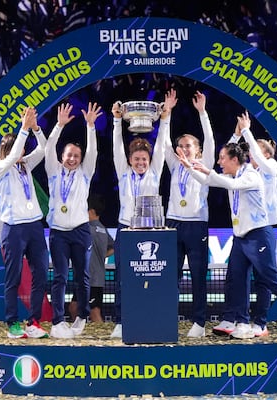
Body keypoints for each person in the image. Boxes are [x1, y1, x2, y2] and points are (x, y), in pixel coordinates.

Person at [178, 142, 277, 339]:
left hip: (258, 235)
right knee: (237, 280)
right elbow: (208, 181)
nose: (219, 162)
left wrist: (208, 170)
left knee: (270, 277)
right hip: (241, 238)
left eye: (222, 158)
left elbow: (230, 184)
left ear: (234, 159)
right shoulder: (233, 175)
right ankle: (242, 323)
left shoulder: (251, 175)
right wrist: (189, 167)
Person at [110, 88, 177, 339]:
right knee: (121, 277)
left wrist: (165, 118)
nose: (140, 162)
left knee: (150, 278)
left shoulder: (155, 172)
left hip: (151, 231)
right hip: (126, 229)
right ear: (129, 160)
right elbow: (117, 146)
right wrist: (117, 120)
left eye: (144, 159)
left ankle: (148, 317)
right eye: (136, 159)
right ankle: (120, 321)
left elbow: (160, 146)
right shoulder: (123, 172)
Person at [45, 101, 103, 339]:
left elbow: (94, 153)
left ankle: (82, 317)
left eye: (76, 156)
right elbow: (48, 149)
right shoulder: (53, 171)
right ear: (62, 156)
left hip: (80, 231)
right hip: (58, 232)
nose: (73, 159)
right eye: (69, 155)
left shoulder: (85, 173)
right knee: (59, 276)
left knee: (82, 276)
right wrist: (58, 126)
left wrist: (90, 126)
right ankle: (58, 321)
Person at [0, 106, 50, 339]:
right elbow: (13, 155)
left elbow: (43, 149)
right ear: (6, 149)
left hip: (34, 225)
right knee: (13, 276)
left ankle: (33, 322)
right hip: (13, 227)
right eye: (17, 147)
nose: (22, 151)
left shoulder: (24, 165)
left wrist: (35, 128)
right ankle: (12, 323)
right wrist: (23, 129)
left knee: (41, 273)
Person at [164, 90, 215, 338]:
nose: (183, 149)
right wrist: (167, 114)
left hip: (196, 224)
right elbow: (164, 144)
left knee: (197, 276)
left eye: (189, 146)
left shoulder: (205, 165)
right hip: (173, 223)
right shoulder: (174, 164)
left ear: (198, 150)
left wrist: (202, 113)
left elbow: (211, 140)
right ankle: (167, 318)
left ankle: (199, 323)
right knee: (170, 275)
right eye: (180, 146)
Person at [226, 111, 277, 337]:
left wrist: (247, 131)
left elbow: (257, 153)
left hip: (263, 230)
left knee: (264, 279)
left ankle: (261, 322)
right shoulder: (245, 173)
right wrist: (236, 136)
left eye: (255, 150)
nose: (250, 153)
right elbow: (227, 158)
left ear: (266, 154)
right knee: (239, 276)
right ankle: (242, 320)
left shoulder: (270, 167)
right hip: (245, 230)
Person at [69, 193, 115, 323]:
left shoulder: (86, 229)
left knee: (94, 312)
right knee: (74, 307)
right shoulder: (103, 229)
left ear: (91, 211)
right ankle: (80, 331)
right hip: (94, 278)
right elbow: (114, 247)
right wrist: (101, 256)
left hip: (91, 279)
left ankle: (101, 338)